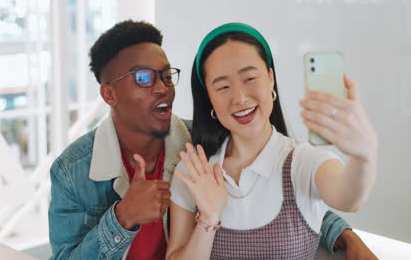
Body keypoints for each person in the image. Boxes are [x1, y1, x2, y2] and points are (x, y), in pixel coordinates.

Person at [48, 20, 376, 260]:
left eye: (166, 75)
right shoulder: (72, 171)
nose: (162, 87)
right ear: (109, 93)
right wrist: (124, 217)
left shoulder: (200, 143)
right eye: (144, 78)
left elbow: (295, 185)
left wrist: (346, 236)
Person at [166, 23, 378, 260]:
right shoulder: (194, 171)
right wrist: (208, 218)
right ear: (209, 98)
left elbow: (349, 199)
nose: (239, 98)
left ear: (270, 78)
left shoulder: (303, 162)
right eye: (223, 86)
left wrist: (364, 155)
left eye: (249, 78)